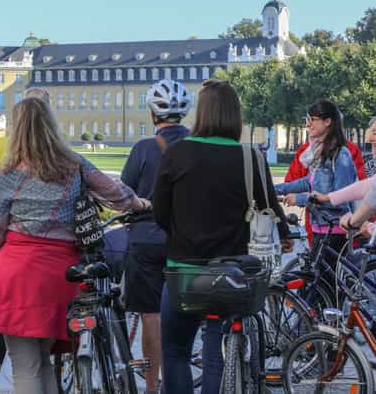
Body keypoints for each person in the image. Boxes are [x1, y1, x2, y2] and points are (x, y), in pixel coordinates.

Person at [0, 98, 150, 394]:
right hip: (62, 275)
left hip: (17, 275)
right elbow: (116, 193)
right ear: (52, 125)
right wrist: (141, 203)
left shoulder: (10, 173)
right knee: (44, 359)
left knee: (26, 366)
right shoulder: (73, 164)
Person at [153, 79, 292, 394]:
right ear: (235, 115)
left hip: (184, 270)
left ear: (202, 114)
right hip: (232, 272)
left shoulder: (178, 153)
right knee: (217, 350)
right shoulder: (250, 156)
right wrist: (284, 235)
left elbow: (160, 212)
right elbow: (270, 207)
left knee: (175, 352)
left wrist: (181, 235)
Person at [120, 79, 190, 394]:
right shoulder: (196, 147)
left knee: (150, 315)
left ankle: (151, 386)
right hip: (186, 242)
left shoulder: (143, 148)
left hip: (146, 239)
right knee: (186, 312)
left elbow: (123, 195)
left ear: (152, 114)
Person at [0, 87, 50, 394]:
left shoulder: (4, 151)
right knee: (40, 354)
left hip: (9, 242)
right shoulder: (62, 156)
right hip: (49, 254)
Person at [275, 100, 358, 253]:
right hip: (322, 229)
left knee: (320, 276)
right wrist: (273, 189)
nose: (308, 124)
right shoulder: (323, 153)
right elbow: (307, 182)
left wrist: (300, 199)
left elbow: (340, 199)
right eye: (308, 120)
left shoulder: (341, 155)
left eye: (313, 119)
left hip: (334, 233)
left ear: (327, 122)